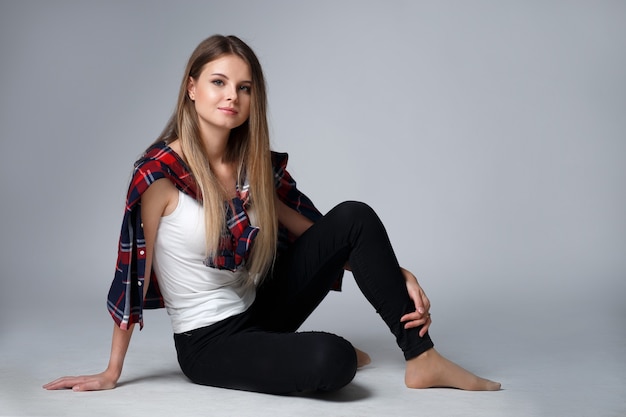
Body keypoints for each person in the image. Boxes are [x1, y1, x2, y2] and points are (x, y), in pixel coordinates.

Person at [44, 34, 501, 395]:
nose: (232, 97)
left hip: (260, 308)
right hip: (208, 342)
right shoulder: (158, 176)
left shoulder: (251, 167)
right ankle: (306, 352)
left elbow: (322, 236)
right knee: (334, 360)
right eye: (218, 82)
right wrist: (111, 371)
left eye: (244, 87)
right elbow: (132, 278)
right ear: (191, 87)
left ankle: (422, 358)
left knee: (355, 216)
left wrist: (397, 273)